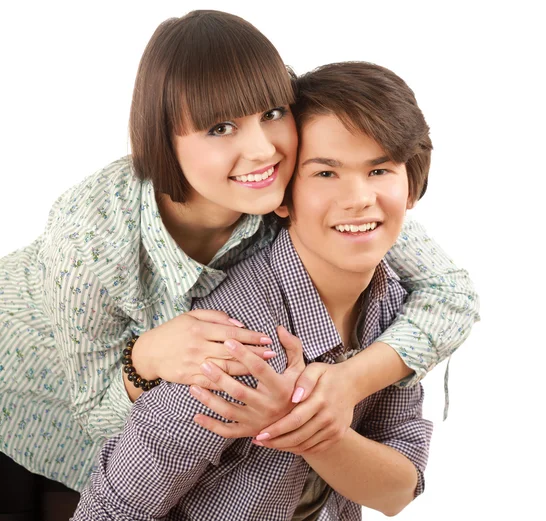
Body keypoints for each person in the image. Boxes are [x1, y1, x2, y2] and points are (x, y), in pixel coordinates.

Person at [0, 9, 478, 520]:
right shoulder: (90, 235)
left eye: (272, 112)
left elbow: (449, 294)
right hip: (29, 389)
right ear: (161, 138)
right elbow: (102, 423)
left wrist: (345, 384)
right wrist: (144, 360)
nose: (261, 149)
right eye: (220, 127)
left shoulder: (321, 198)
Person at [72, 60, 440, 520]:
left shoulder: (395, 310)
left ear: (411, 185)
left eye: (380, 170)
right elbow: (110, 509)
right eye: (325, 174)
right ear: (283, 196)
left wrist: (300, 423)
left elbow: (399, 491)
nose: (359, 198)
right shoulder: (238, 342)